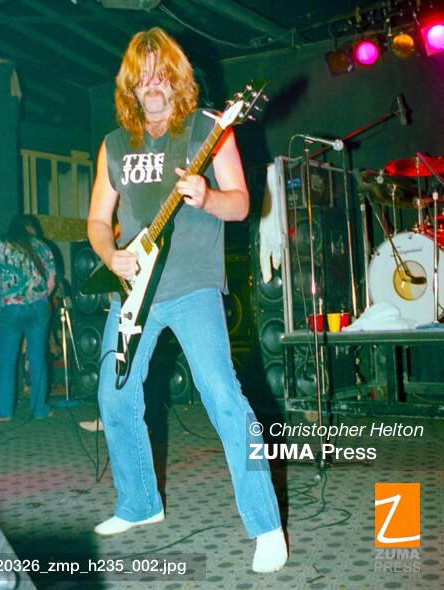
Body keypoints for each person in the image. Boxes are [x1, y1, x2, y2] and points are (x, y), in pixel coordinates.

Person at [87, 27, 287, 573]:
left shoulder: (210, 130)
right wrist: (111, 255)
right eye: (142, 77)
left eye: (161, 75)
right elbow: (97, 221)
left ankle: (266, 526)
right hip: (135, 290)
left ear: (177, 80)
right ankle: (139, 504)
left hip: (193, 285)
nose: (152, 85)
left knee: (223, 396)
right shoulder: (114, 144)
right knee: (114, 398)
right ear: (131, 87)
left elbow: (241, 205)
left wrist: (206, 196)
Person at [0, 214, 56, 421]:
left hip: (11, 308)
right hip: (38, 308)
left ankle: (4, 412)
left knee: (7, 360)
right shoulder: (44, 247)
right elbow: (50, 285)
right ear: (32, 228)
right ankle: (39, 409)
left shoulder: (1, 244)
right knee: (38, 359)